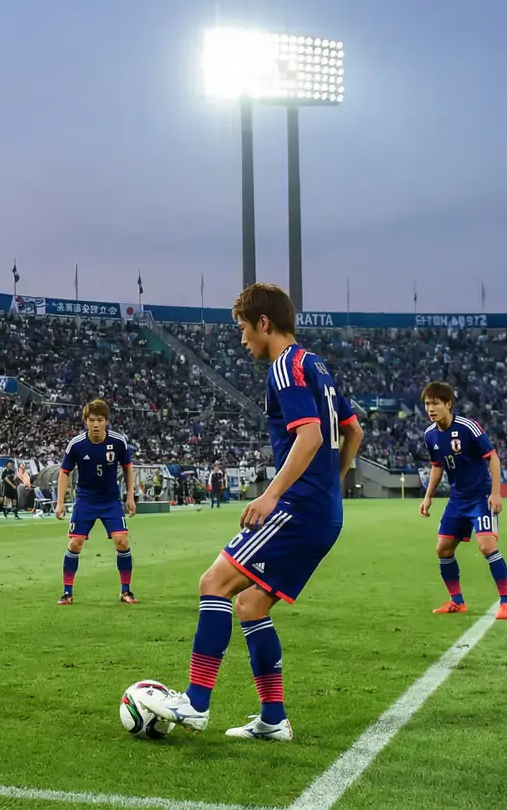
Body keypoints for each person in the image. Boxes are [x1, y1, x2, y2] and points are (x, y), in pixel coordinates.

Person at [139, 283, 363, 741]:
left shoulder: (285, 367)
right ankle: (273, 719)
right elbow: (353, 431)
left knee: (214, 583)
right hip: (322, 511)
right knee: (250, 604)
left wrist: (273, 494)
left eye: (243, 327)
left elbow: (311, 436)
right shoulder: (315, 365)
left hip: (297, 509)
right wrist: (330, 485)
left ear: (264, 323)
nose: (241, 338)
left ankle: (195, 703)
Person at [417, 382, 507, 619]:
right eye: (427, 404)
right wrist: (428, 497)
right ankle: (457, 601)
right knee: (443, 549)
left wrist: (496, 493)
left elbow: (492, 457)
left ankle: (506, 603)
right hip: (457, 499)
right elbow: (437, 466)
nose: (430, 409)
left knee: (487, 546)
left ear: (448, 404)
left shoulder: (467, 427)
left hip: (480, 497)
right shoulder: (430, 435)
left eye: (435, 403)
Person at [54, 399, 138, 605]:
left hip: (110, 500)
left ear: (107, 421)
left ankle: (126, 591)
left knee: (122, 540)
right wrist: (60, 502)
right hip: (85, 500)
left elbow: (128, 468)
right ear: (85, 421)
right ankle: (67, 592)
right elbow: (64, 472)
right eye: (91, 420)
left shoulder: (118, 442)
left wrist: (130, 496)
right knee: (75, 543)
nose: (96, 424)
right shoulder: (76, 444)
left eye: (100, 420)